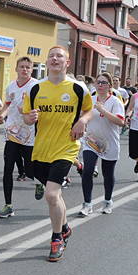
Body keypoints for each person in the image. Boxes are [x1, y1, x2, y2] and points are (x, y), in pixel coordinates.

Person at [22, 46, 93, 262]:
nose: (54, 59)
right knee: (56, 196)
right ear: (47, 61)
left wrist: (82, 120)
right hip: (41, 149)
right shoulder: (35, 89)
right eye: (51, 55)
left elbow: (89, 111)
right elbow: (26, 116)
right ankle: (64, 227)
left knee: (51, 194)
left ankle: (56, 239)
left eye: (59, 56)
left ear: (67, 62)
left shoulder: (78, 88)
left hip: (66, 147)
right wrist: (30, 118)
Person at [0, 57, 39, 219]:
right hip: (12, 133)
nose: (25, 70)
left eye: (28, 67)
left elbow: (39, 108)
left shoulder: (36, 86)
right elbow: (8, 105)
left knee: (30, 170)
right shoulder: (11, 86)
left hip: (29, 133)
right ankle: (8, 205)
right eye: (22, 67)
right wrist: (2, 116)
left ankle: (40, 182)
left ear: (32, 69)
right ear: (16, 68)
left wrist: (27, 113)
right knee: (8, 169)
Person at [79, 73, 124, 216]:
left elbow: (120, 122)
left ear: (110, 86)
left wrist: (103, 110)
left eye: (104, 83)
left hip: (110, 142)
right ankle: (87, 204)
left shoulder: (115, 102)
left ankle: (107, 201)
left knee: (107, 174)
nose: (100, 85)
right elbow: (82, 115)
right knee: (88, 171)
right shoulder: (90, 100)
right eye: (98, 82)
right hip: (91, 141)